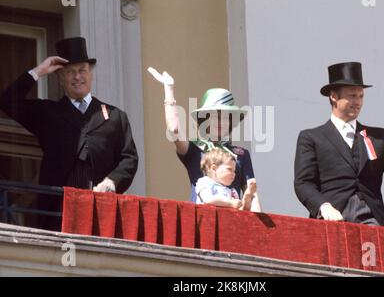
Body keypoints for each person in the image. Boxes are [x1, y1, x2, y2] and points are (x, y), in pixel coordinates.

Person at [0, 37, 138, 228]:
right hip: (58, 214)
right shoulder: (48, 113)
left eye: (82, 70)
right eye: (70, 72)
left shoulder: (115, 116)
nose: (77, 77)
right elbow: (8, 101)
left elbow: (129, 158)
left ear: (91, 74)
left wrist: (112, 182)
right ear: (60, 78)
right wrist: (39, 71)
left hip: (102, 214)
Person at [294, 61, 384, 234]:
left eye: (361, 96)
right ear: (333, 97)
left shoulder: (380, 137)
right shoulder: (311, 137)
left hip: (371, 219)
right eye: (352, 96)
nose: (357, 102)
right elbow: (303, 183)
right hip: (331, 220)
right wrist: (323, 206)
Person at [148, 67, 261, 212]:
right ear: (204, 121)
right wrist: (169, 89)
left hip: (233, 224)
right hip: (200, 222)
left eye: (226, 117)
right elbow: (174, 130)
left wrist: (260, 230)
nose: (220, 122)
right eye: (215, 116)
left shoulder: (241, 154)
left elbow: (252, 194)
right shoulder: (195, 149)